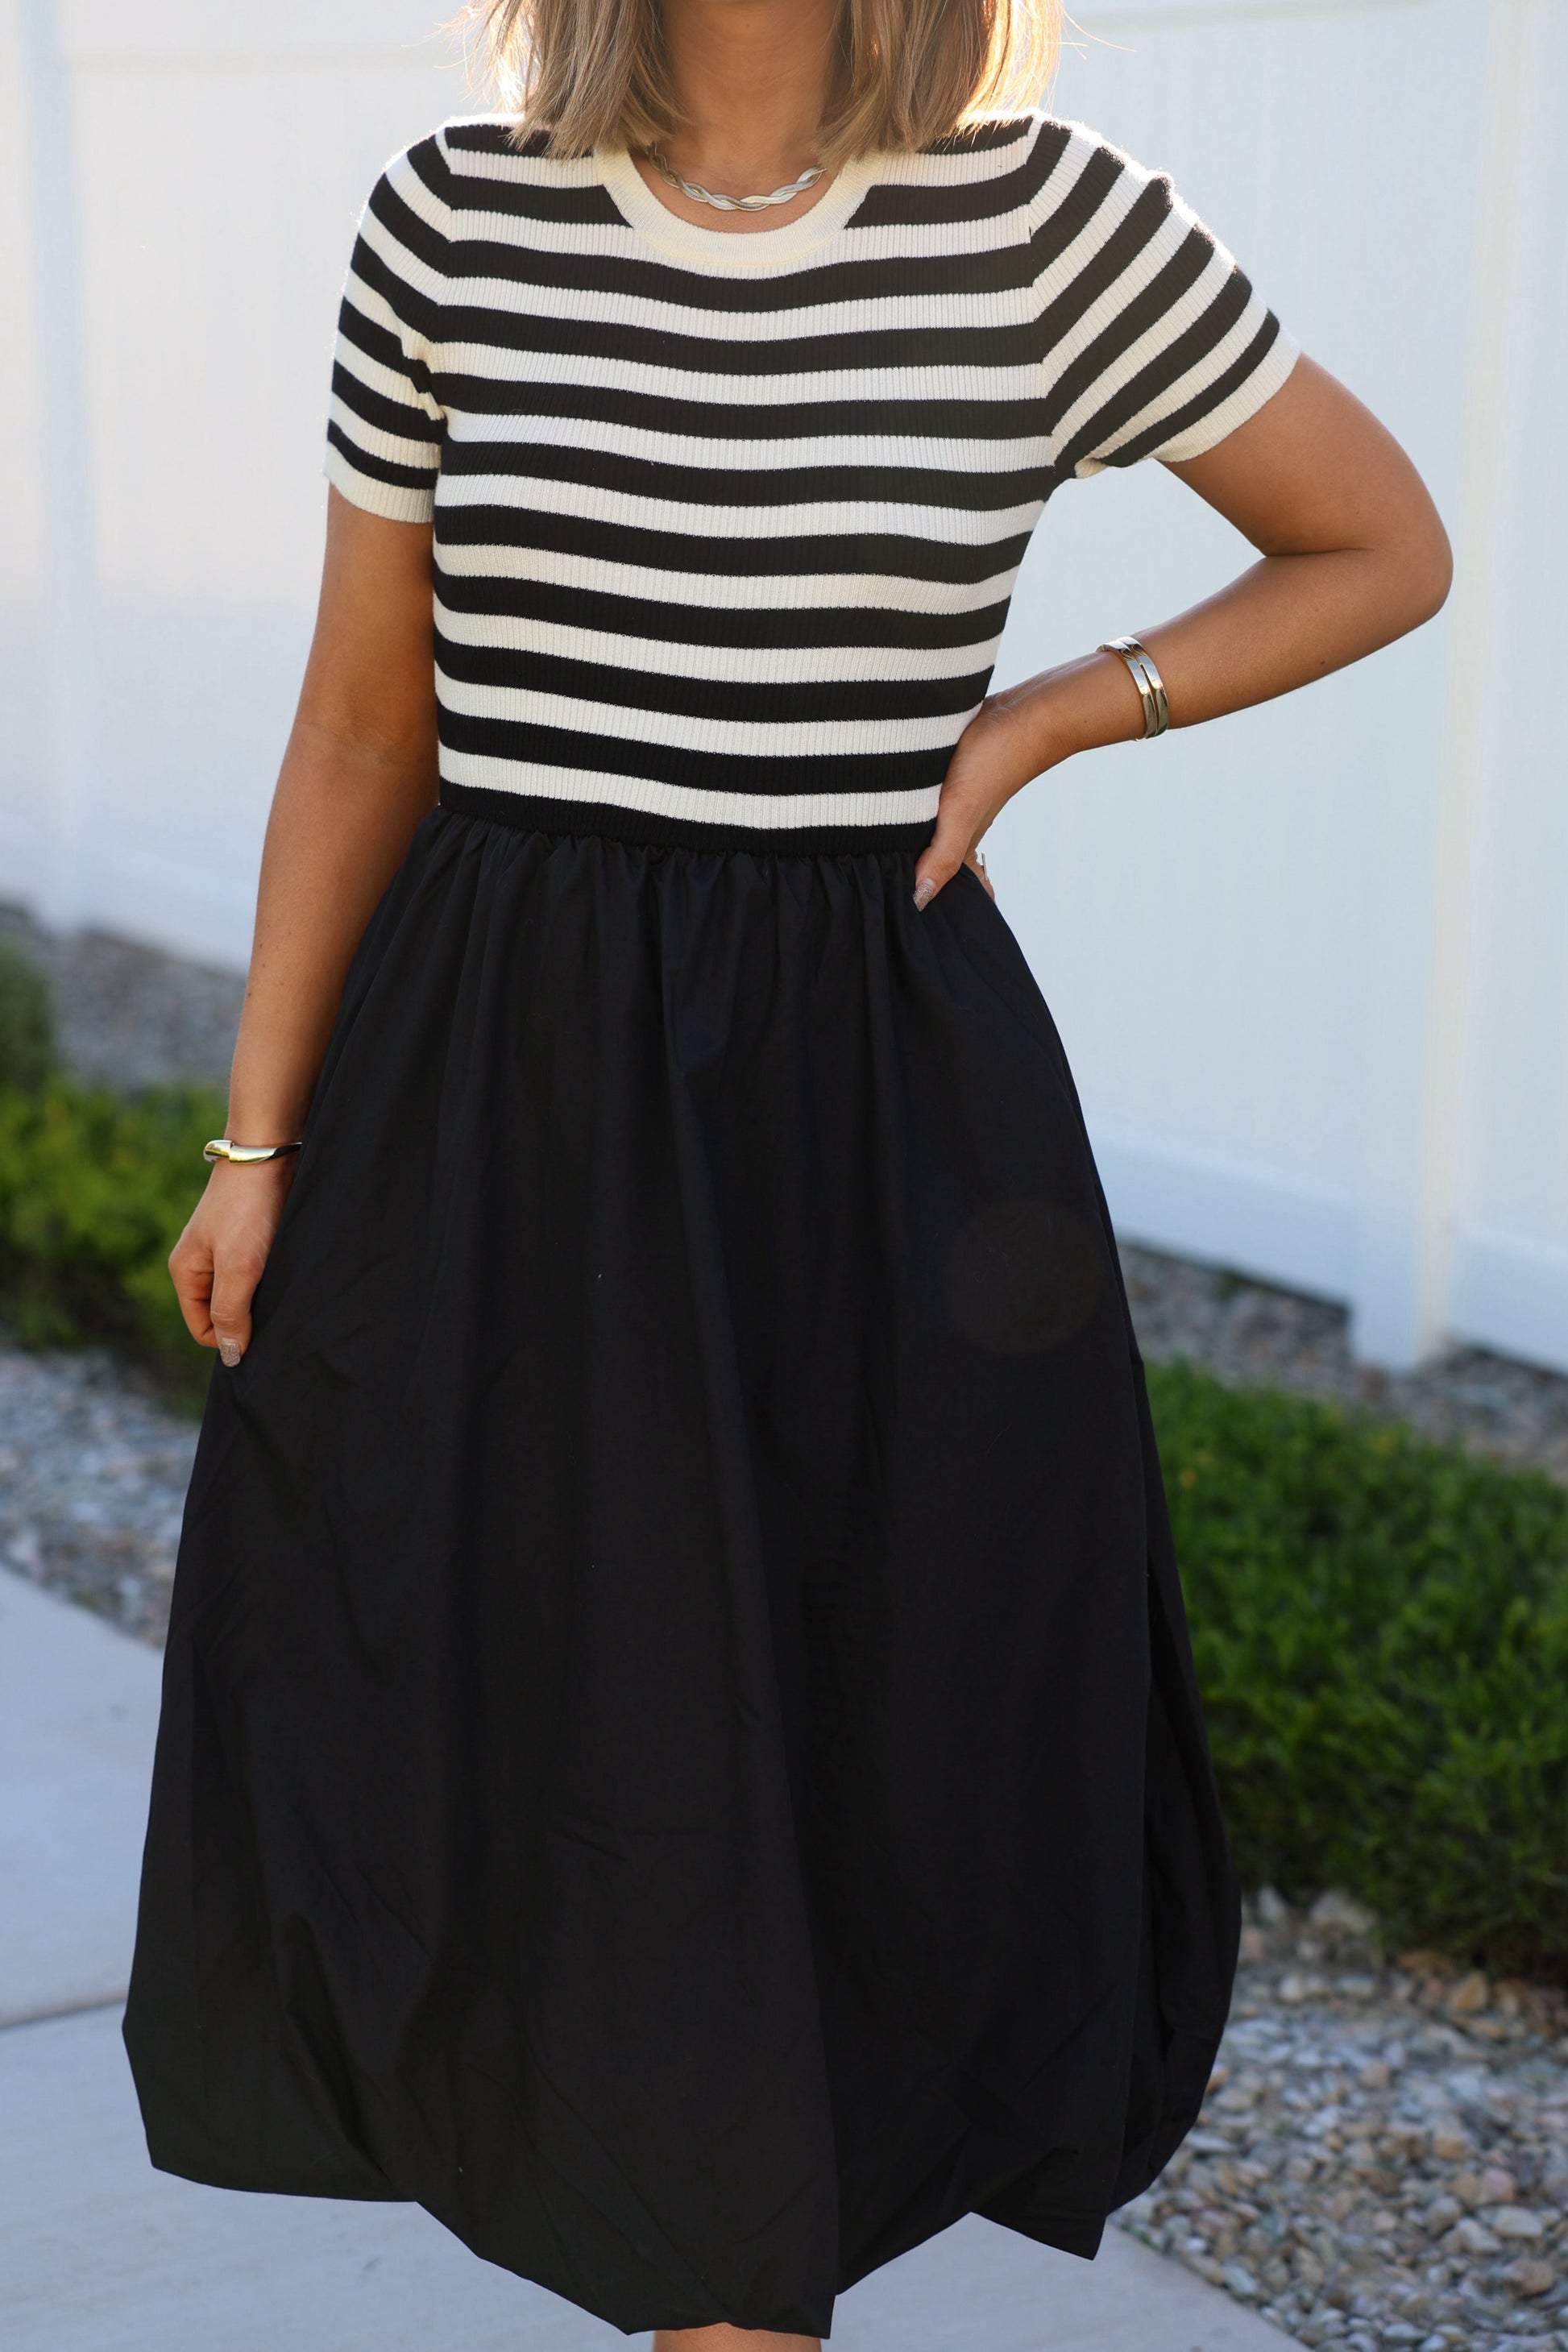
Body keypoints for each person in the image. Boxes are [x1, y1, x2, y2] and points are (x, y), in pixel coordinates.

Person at [122, 0, 1451, 2343]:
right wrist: (259, 1138)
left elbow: (1376, 543)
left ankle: (730, 2291)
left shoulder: (1052, 225)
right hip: (498, 1102)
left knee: (852, 1724)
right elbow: (358, 722)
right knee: (539, 1726)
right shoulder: (452, 221)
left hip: (862, 1108)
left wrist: (1048, 713)